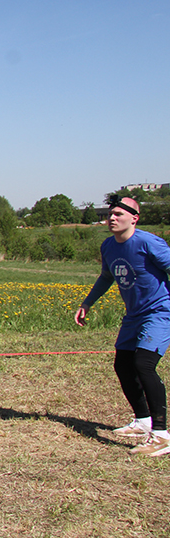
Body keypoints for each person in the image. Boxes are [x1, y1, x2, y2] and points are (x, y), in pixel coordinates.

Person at [75, 196, 170, 457]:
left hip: (160, 311)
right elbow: (106, 276)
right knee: (123, 365)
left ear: (134, 218)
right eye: (110, 214)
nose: (112, 218)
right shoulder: (108, 246)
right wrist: (87, 303)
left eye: (118, 214)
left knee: (144, 364)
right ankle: (143, 421)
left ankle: (161, 435)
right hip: (134, 315)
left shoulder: (149, 243)